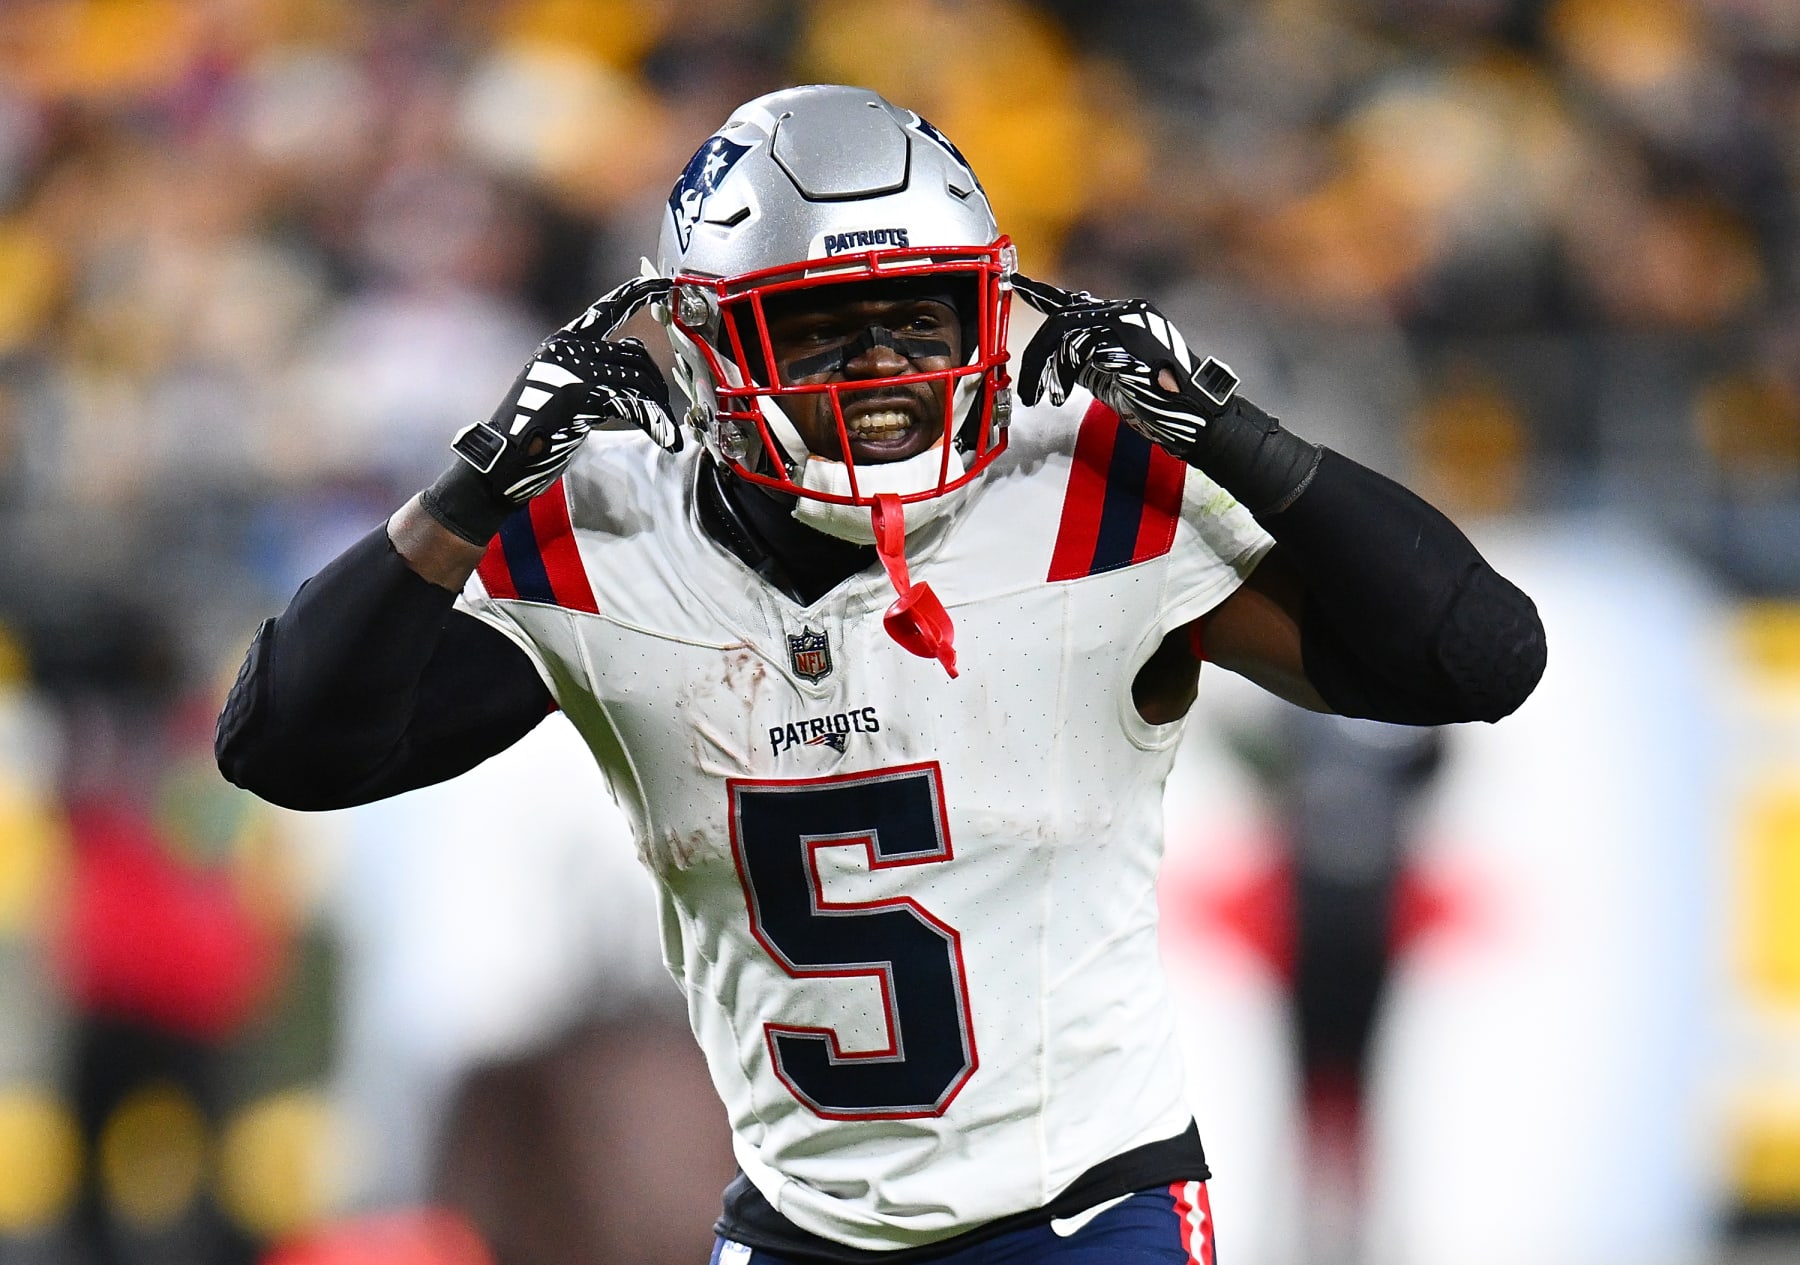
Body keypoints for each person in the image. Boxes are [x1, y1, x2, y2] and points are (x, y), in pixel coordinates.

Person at [216, 85, 1546, 1264]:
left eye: (918, 322)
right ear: (711, 346)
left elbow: (1478, 655)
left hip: (1087, 1210)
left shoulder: (1087, 498)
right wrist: (472, 485)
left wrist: (1234, 430)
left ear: (992, 308)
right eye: (822, 333)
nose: (884, 378)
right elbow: (285, 746)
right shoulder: (612, 537)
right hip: (801, 1225)